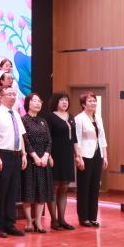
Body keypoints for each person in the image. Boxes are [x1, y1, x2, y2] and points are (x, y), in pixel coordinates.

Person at [0, 87, 27, 238]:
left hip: (16, 155)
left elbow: (21, 135)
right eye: (9, 94)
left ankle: (10, 223)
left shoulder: (15, 114)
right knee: (0, 191)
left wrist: (23, 154)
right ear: (0, 97)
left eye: (14, 94)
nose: (12, 97)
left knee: (12, 191)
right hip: (3, 154)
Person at [46, 92, 80, 231]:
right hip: (55, 155)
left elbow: (75, 138)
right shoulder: (50, 117)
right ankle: (53, 221)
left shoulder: (70, 117)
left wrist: (77, 155)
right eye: (61, 100)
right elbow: (47, 138)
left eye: (66, 100)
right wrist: (48, 155)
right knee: (54, 187)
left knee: (65, 187)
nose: (65, 102)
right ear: (56, 102)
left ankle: (62, 220)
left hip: (67, 156)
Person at [74, 92, 107, 228]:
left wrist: (105, 156)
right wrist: (78, 157)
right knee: (84, 187)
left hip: (98, 154)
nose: (93, 103)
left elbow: (102, 138)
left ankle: (93, 217)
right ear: (83, 104)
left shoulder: (98, 118)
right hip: (85, 155)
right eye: (90, 101)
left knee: (95, 187)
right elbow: (77, 139)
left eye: (94, 101)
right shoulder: (79, 118)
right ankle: (83, 217)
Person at [21, 92, 53, 233]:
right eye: (35, 100)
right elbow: (25, 141)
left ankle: (38, 222)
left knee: (41, 192)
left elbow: (49, 141)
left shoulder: (43, 121)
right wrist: (34, 156)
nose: (38, 103)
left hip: (43, 160)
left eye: (39, 101)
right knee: (28, 192)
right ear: (28, 103)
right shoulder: (23, 120)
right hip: (30, 159)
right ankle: (29, 222)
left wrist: (46, 156)